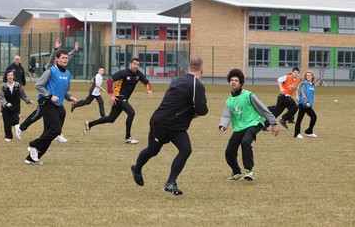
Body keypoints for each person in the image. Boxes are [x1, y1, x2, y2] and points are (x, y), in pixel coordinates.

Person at [131, 57, 208, 195]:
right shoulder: (197, 85)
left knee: (186, 149)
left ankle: (170, 183)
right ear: (202, 70)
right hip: (162, 123)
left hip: (176, 126)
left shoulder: (177, 80)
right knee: (153, 151)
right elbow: (202, 110)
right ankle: (136, 169)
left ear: (188, 69)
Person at [218, 69, 279, 181]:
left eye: (236, 80)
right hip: (239, 127)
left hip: (253, 123)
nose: (233, 82)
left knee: (245, 142)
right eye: (231, 80)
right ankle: (236, 172)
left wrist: (273, 123)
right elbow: (227, 116)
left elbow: (262, 108)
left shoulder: (248, 95)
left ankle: (248, 171)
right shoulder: (229, 101)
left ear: (240, 83)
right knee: (229, 151)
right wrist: (223, 126)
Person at [16, 39, 79, 143]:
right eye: (60, 58)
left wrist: (74, 51)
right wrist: (55, 49)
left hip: (55, 99)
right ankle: (21, 128)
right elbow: (53, 59)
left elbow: (67, 58)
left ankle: (54, 134)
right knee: (37, 115)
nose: (64, 60)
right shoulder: (50, 67)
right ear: (56, 59)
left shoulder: (63, 70)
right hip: (46, 97)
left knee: (60, 113)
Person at [24, 49, 77, 165]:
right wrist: (50, 96)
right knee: (55, 130)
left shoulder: (67, 74)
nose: (65, 60)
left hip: (58, 105)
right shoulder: (51, 71)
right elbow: (38, 85)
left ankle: (31, 158)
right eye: (63, 58)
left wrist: (71, 98)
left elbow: (66, 92)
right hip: (46, 103)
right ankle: (33, 144)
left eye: (67, 58)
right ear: (57, 59)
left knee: (50, 132)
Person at [84, 58, 153, 144]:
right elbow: (110, 80)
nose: (136, 66)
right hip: (119, 96)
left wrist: (150, 89)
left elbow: (147, 83)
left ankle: (89, 124)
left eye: (137, 64)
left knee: (111, 118)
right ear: (130, 64)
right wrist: (111, 95)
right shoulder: (124, 72)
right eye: (134, 64)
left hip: (123, 98)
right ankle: (128, 137)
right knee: (131, 113)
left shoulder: (138, 74)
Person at [0, 70, 33, 142]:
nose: (10, 76)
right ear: (6, 77)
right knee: (7, 123)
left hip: (15, 107)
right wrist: (5, 103)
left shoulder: (17, 85)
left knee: (15, 121)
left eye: (11, 75)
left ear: (13, 76)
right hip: (6, 108)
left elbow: (22, 95)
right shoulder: (3, 86)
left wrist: (28, 100)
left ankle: (18, 128)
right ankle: (8, 136)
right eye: (8, 75)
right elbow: (1, 97)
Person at [294, 70, 318, 139]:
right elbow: (303, 94)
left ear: (312, 76)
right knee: (299, 119)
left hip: (308, 104)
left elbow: (311, 95)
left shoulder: (313, 85)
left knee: (314, 117)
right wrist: (306, 102)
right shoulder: (304, 84)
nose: (308, 77)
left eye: (309, 75)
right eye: (307, 75)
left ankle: (309, 131)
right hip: (303, 104)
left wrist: (311, 103)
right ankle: (297, 133)